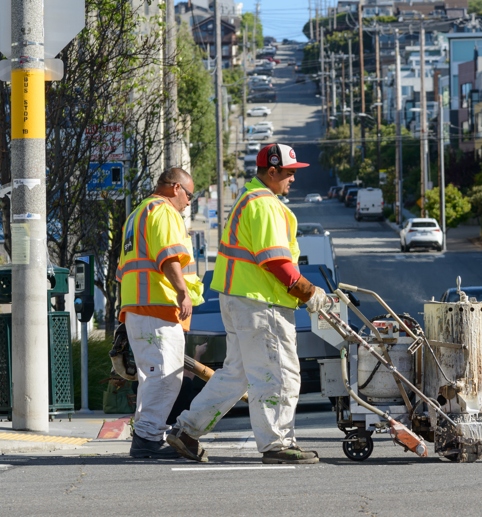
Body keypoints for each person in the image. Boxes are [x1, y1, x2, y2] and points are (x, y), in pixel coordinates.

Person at [167, 143, 332, 465]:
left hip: (240, 300)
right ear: (272, 172)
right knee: (279, 373)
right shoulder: (265, 204)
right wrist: (310, 292)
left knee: (235, 376)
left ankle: (187, 430)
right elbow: (275, 261)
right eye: (289, 173)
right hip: (261, 304)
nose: (293, 180)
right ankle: (277, 444)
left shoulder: (249, 199)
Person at [116, 167, 203, 458]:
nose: (189, 202)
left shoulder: (137, 214)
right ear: (176, 188)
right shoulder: (163, 211)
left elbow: (125, 271)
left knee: (154, 376)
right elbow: (168, 257)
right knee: (165, 378)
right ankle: (147, 440)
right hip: (158, 306)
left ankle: (146, 436)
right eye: (189, 195)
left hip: (138, 307)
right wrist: (182, 291)